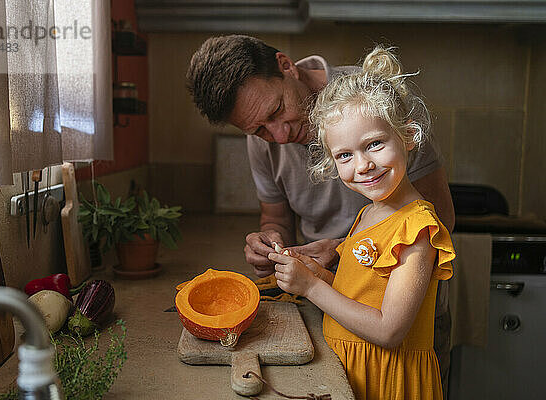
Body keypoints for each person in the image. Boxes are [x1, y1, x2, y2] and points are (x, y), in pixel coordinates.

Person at [186, 34, 454, 393]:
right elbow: (276, 217)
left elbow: (438, 221)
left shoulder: (380, 101)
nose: (278, 136)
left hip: (401, 337)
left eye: (277, 111)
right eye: (259, 131)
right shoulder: (264, 139)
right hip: (333, 312)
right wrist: (271, 240)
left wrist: (338, 254)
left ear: (286, 67)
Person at [268, 45, 455, 400]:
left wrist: (310, 287)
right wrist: (315, 273)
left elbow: (389, 330)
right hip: (355, 373)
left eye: (374, 144)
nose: (363, 165)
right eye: (344, 155)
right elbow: (360, 294)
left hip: (390, 382)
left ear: (409, 136)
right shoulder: (371, 212)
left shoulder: (417, 230)